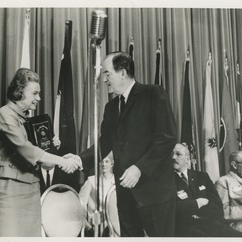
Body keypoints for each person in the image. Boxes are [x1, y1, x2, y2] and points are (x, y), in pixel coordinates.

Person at [66, 52, 177, 237]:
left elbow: (167, 138)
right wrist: (79, 159)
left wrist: (139, 168)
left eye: (107, 74)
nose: (104, 80)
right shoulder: (111, 108)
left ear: (123, 73)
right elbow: (105, 144)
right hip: (125, 195)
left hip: (155, 194)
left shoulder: (153, 93)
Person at [0, 68, 80, 237]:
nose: (39, 98)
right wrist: (63, 161)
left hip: (32, 189)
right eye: (34, 93)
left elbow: (43, 161)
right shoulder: (5, 114)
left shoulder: (28, 120)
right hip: (12, 192)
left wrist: (51, 147)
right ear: (19, 91)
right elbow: (25, 149)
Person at [172, 143, 242, 237]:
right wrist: (198, 203)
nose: (173, 157)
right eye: (171, 154)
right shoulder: (167, 181)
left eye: (178, 154)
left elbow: (217, 207)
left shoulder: (201, 177)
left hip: (210, 224)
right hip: (185, 230)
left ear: (187, 158)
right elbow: (173, 209)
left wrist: (196, 212)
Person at [79, 152, 119, 237]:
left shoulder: (117, 181)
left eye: (107, 161)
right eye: (101, 161)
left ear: (112, 164)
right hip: (95, 225)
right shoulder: (91, 181)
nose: (104, 164)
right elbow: (80, 203)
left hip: (114, 224)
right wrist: (84, 222)